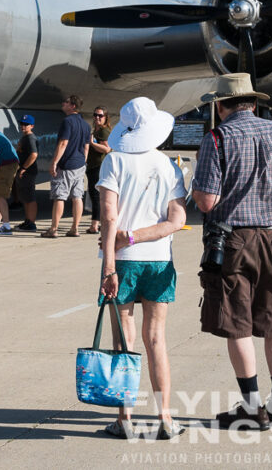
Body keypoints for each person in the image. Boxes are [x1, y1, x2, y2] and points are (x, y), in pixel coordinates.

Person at [192, 73, 272, 430]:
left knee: (237, 324)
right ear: (254, 102)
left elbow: (207, 200)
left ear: (221, 105)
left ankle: (252, 407)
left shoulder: (217, 139)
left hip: (233, 242)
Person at [97, 97, 187, 440]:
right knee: (156, 339)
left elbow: (108, 217)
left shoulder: (113, 162)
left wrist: (111, 261)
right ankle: (165, 417)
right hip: (159, 259)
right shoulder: (168, 166)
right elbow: (177, 220)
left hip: (122, 262)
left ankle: (126, 417)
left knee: (125, 340)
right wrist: (138, 236)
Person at [42, 96, 91, 238]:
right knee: (77, 196)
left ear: (73, 106)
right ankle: (75, 228)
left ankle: (54, 229)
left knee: (60, 196)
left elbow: (63, 143)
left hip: (66, 165)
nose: (63, 103)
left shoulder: (67, 122)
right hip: (80, 164)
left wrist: (54, 162)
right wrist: (83, 162)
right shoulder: (86, 125)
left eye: (67, 102)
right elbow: (86, 147)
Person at [86, 106, 112, 234]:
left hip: (98, 166)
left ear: (105, 118)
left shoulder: (103, 131)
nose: (97, 118)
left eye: (100, 116)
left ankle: (94, 225)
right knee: (97, 196)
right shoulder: (96, 130)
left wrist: (92, 144)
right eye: (95, 115)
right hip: (93, 166)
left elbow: (107, 149)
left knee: (95, 196)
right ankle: (101, 222)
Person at [14, 114, 39, 231]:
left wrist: (24, 168)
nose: (23, 126)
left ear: (32, 126)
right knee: (25, 197)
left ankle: (31, 223)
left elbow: (34, 154)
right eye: (22, 124)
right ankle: (27, 220)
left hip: (28, 172)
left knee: (30, 197)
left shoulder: (30, 138)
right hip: (24, 171)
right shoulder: (25, 137)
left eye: (26, 124)